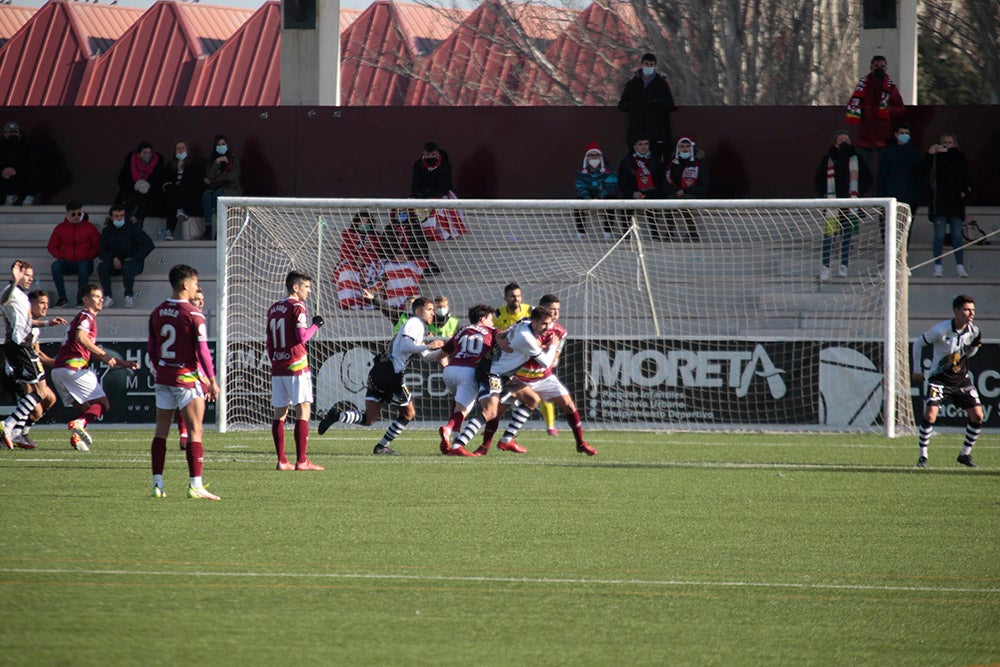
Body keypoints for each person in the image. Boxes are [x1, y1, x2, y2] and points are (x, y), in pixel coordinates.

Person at [316, 297, 445, 455]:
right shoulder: (415, 323)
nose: (433, 313)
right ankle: (381, 446)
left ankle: (338, 415)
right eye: (430, 310)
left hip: (379, 371)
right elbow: (407, 346)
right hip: (392, 375)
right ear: (418, 311)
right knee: (409, 413)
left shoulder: (413, 326)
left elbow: (424, 356)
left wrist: (441, 352)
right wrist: (429, 345)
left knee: (369, 419)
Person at [147, 264, 221, 499]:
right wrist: (212, 380)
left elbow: (152, 349)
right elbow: (203, 352)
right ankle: (195, 485)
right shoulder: (193, 314)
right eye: (195, 283)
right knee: (195, 430)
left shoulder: (158, 312)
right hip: (186, 379)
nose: (197, 288)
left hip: (164, 378)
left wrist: (162, 369)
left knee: (161, 432)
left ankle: (157, 484)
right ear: (185, 285)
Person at [50, 283, 139, 452]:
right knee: (103, 404)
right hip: (74, 369)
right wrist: (105, 355)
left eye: (101, 296)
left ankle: (76, 437)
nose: (100, 300)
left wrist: (124, 363)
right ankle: (79, 424)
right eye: (96, 296)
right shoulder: (86, 315)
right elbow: (81, 337)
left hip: (59, 371)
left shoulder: (84, 317)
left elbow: (92, 348)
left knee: (84, 408)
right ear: (85, 299)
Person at [504, 295, 596, 456]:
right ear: (542, 310)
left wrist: (546, 349)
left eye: (558, 310)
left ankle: (581, 443)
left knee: (568, 404)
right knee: (492, 412)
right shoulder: (526, 325)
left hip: (543, 377)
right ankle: (485, 444)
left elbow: (553, 361)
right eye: (551, 309)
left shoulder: (561, 332)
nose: (555, 313)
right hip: (519, 378)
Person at [911, 295, 983, 468]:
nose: (971, 313)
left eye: (973, 310)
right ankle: (923, 456)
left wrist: (961, 358)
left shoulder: (974, 331)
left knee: (978, 416)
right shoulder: (940, 330)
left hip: (961, 379)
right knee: (930, 415)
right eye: (967, 309)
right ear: (956, 311)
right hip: (939, 379)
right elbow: (918, 344)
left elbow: (974, 348)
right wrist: (917, 370)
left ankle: (965, 454)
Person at [267, 271, 325, 471]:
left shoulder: (274, 308)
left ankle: (282, 461)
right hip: (296, 364)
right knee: (303, 409)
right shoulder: (298, 307)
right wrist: (316, 325)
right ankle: (301, 460)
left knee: (279, 413)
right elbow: (302, 337)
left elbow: (269, 341)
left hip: (278, 366)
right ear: (295, 287)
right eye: (306, 287)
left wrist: (275, 360)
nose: (309, 291)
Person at [0, 262, 58, 451]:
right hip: (20, 346)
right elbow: (3, 299)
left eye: (32, 275)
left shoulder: (22, 298)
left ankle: (16, 430)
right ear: (17, 274)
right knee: (40, 393)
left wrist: (47, 323)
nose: (30, 278)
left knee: (40, 394)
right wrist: (15, 281)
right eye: (27, 275)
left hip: (18, 346)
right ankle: (10, 425)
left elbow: (26, 322)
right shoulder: (12, 291)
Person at [438, 303, 496, 457]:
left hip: (450, 370)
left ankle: (454, 439)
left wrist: (446, 368)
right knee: (463, 409)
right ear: (483, 319)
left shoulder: (461, 330)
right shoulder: (491, 331)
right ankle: (449, 429)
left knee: (458, 403)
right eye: (491, 319)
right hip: (469, 371)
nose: (492, 323)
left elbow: (441, 355)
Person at [813, 130, 873, 281]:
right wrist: (825, 195)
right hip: (832, 205)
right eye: (842, 141)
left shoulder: (857, 159)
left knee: (846, 236)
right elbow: (818, 180)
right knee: (829, 237)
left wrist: (858, 193)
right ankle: (825, 267)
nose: (845, 143)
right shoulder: (827, 159)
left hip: (850, 204)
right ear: (835, 143)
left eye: (847, 140)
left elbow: (868, 178)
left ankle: (843, 265)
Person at [925, 132, 972, 278]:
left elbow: (965, 175)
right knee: (939, 236)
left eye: (949, 142)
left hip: (956, 204)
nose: (946, 144)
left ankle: (960, 267)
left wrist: (965, 190)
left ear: (955, 144)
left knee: (957, 236)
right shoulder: (935, 157)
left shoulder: (959, 157)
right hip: (939, 203)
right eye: (944, 142)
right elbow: (925, 171)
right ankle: (938, 267)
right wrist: (929, 154)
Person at [845, 55, 905, 169]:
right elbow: (852, 104)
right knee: (862, 169)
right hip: (864, 134)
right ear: (871, 68)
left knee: (884, 169)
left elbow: (900, 108)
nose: (879, 68)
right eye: (876, 66)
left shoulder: (891, 87)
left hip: (883, 135)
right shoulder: (862, 85)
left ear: (886, 68)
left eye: (882, 66)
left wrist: (889, 109)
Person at [618, 53, 677, 164]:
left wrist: (656, 102)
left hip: (655, 131)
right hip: (636, 130)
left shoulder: (661, 84)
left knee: (655, 162)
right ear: (642, 64)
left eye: (651, 64)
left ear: (655, 66)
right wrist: (633, 104)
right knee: (634, 162)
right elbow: (622, 105)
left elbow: (670, 105)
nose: (648, 67)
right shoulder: (632, 84)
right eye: (646, 64)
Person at [96, 203, 154, 309]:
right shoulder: (107, 231)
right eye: (117, 216)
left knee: (128, 266)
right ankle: (108, 297)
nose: (119, 218)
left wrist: (135, 258)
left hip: (133, 263)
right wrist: (113, 258)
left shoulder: (133, 229)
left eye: (121, 215)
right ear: (111, 217)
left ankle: (128, 296)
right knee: (102, 267)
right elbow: (101, 251)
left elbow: (148, 245)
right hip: (114, 263)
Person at [47, 201, 99, 307]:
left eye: (79, 214)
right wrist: (62, 256)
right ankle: (62, 298)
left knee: (83, 267)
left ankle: (81, 299)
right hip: (67, 261)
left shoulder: (89, 227)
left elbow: (97, 246)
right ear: (67, 214)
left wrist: (88, 256)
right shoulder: (60, 228)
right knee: (55, 266)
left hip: (84, 261)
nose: (76, 217)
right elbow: (52, 247)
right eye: (73, 214)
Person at [876, 123, 922, 242]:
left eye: (907, 133)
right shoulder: (887, 152)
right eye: (902, 133)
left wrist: (916, 198)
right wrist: (881, 196)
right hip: (890, 197)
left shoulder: (915, 153)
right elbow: (881, 176)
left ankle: (901, 258)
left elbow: (919, 176)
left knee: (904, 232)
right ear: (896, 135)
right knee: (888, 230)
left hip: (909, 199)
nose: (904, 135)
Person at [175, 286, 207, 451]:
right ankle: (185, 435)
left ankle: (188, 434)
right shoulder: (187, 317)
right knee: (187, 401)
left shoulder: (198, 317)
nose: (201, 302)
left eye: (202, 299)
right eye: (197, 299)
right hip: (184, 367)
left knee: (193, 402)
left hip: (194, 367)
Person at [618, 137, 667, 240]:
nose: (643, 147)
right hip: (633, 193)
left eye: (646, 144)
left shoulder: (655, 161)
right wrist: (633, 193)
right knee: (625, 204)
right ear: (635, 147)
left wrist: (649, 193)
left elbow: (661, 181)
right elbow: (622, 182)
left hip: (651, 193)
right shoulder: (627, 161)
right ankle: (626, 234)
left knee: (652, 202)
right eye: (640, 144)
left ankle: (655, 233)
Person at [664, 136, 709, 242]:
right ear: (677, 149)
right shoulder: (672, 165)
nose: (684, 149)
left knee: (684, 202)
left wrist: (685, 191)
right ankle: (669, 233)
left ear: (692, 148)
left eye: (687, 146)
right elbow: (665, 182)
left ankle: (692, 233)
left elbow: (704, 186)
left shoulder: (699, 165)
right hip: (675, 195)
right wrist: (675, 191)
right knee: (668, 203)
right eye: (682, 146)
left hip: (693, 194)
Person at [573, 142, 619, 240]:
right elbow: (580, 187)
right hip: (588, 196)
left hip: (603, 196)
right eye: (591, 155)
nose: (594, 157)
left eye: (596, 155)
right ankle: (581, 233)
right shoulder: (581, 172)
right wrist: (589, 201)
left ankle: (608, 232)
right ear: (587, 157)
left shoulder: (609, 170)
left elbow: (610, 187)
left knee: (612, 200)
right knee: (577, 203)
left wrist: (598, 199)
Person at [161, 139, 204, 241]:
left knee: (175, 197)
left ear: (187, 150)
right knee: (172, 194)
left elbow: (194, 181)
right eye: (178, 149)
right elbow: (166, 179)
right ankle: (179, 210)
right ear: (174, 151)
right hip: (173, 191)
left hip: (188, 193)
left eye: (183, 148)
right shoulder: (170, 164)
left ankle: (170, 230)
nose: (180, 151)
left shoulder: (193, 163)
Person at [201, 134, 242, 240]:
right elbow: (209, 175)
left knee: (218, 196)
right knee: (207, 197)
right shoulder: (211, 160)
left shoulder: (233, 159)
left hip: (231, 189)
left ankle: (220, 230)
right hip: (214, 188)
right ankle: (208, 229)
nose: (221, 146)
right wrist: (217, 162)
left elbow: (233, 176)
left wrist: (218, 178)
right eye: (218, 144)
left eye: (223, 144)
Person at [116, 141, 165, 226]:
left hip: (149, 195)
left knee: (143, 199)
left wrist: (148, 185)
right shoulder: (130, 162)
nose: (147, 155)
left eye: (149, 152)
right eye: (144, 152)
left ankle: (136, 221)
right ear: (139, 154)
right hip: (131, 193)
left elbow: (158, 180)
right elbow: (122, 180)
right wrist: (135, 186)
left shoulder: (157, 163)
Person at [0, 121, 37, 206]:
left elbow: (33, 164)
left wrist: (17, 170)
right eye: (8, 133)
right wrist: (2, 171)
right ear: (4, 134)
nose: (12, 136)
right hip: (7, 181)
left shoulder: (28, 146)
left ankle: (28, 197)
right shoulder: (2, 146)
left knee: (34, 175)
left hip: (24, 179)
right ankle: (9, 196)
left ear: (19, 133)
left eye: (14, 132)